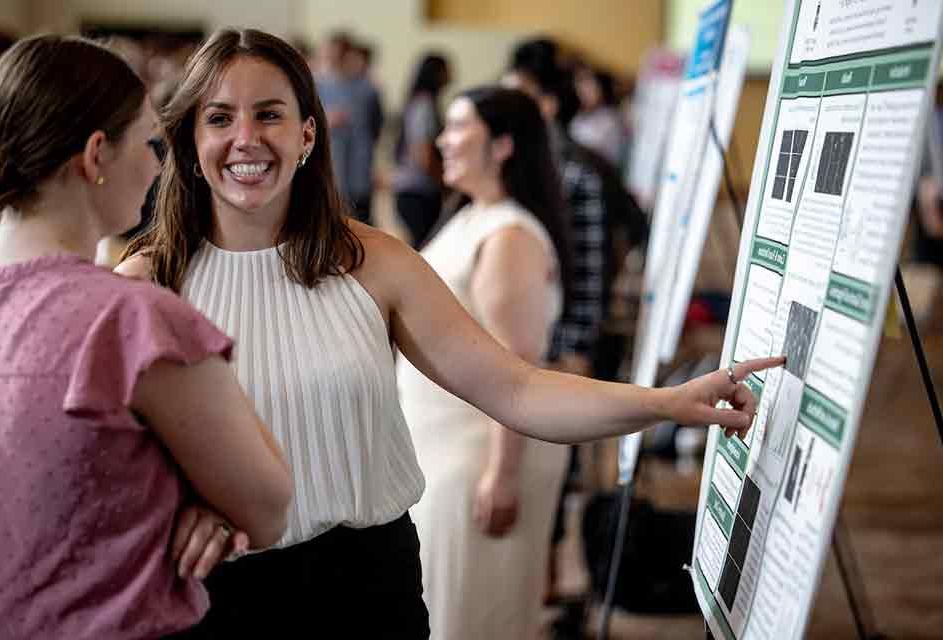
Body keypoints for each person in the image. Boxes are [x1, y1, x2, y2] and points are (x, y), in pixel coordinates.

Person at [118, 27, 782, 639]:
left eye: (269, 114)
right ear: (189, 142)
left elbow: (516, 389)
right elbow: (100, 459)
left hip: (365, 586)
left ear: (308, 135)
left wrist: (665, 403)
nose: (246, 138)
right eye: (219, 117)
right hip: (214, 595)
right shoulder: (147, 281)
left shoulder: (373, 262)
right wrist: (174, 504)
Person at [0, 35, 292, 640]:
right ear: (96, 155)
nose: (159, 165)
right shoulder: (133, 322)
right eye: (150, 142)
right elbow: (269, 505)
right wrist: (199, 497)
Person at [394, 86, 572, 639]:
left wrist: (503, 472)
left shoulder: (510, 235)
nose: (442, 140)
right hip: (446, 451)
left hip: (481, 457)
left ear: (501, 146)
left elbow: (517, 364)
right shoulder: (473, 215)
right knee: (448, 612)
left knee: (471, 619)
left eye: (457, 127)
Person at [314, 30, 382, 224]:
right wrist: (325, 120)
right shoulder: (314, 87)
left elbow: (376, 128)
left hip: (357, 175)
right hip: (327, 174)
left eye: (338, 56)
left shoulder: (366, 90)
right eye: (329, 55)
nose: (332, 61)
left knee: (360, 225)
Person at [392, 52, 451, 248]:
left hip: (411, 190)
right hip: (418, 191)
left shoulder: (417, 102)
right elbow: (423, 154)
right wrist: (444, 182)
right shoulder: (424, 106)